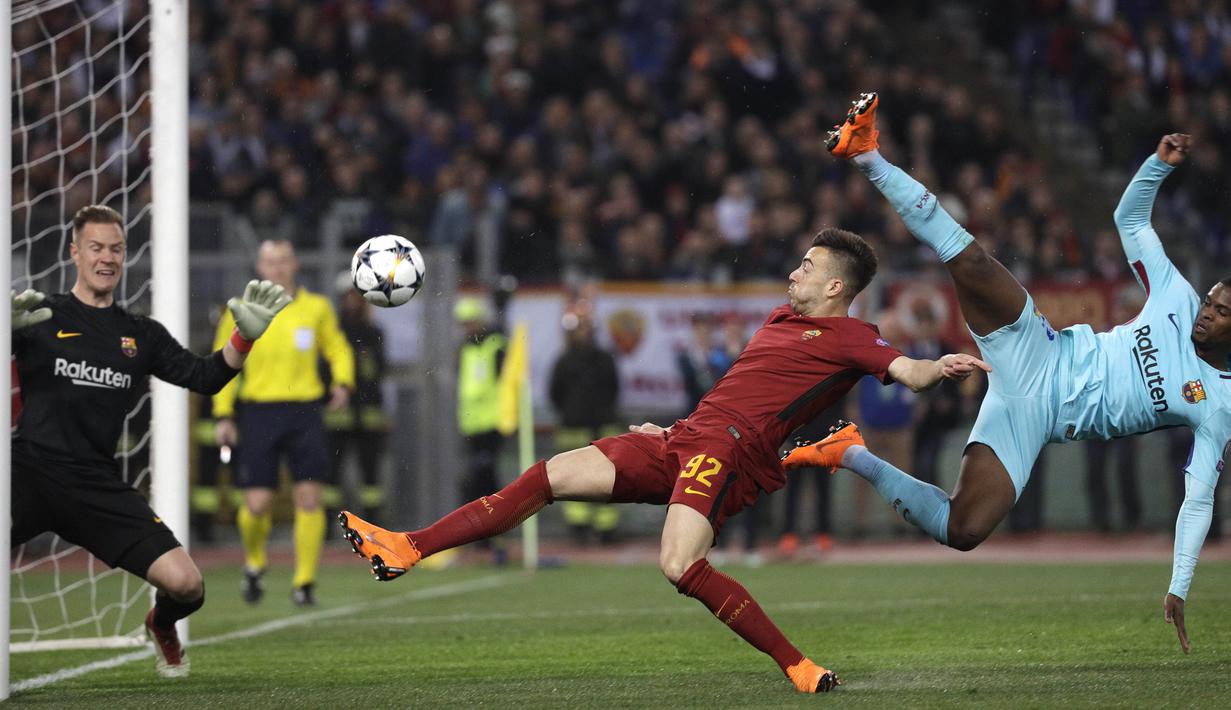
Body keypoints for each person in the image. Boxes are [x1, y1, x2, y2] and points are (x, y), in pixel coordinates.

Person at [339, 228, 988, 694]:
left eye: (807, 266)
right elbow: (745, 386)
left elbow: (906, 370)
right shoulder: (779, 318)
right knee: (549, 475)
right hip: (685, 437)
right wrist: (677, 428)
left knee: (679, 565)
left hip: (726, 450)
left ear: (835, 285)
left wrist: (940, 366)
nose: (795, 273)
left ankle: (796, 665)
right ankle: (408, 547)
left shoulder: (852, 337)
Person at [785, 93, 1231, 654]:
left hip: (1034, 418)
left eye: (1221, 312)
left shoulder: (1219, 403)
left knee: (963, 530)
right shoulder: (1176, 297)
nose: (1207, 312)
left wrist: (1179, 584)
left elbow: (1198, 498)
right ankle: (867, 152)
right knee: (970, 260)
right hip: (1039, 350)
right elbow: (1130, 219)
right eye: (1211, 300)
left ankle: (849, 452)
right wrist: (1156, 167)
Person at [9, 204, 290, 677]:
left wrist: (243, 338)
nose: (107, 258)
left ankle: (160, 624)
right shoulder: (39, 315)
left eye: (116, 249)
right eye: (96, 247)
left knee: (187, 585)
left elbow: (204, 377)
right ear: (75, 252)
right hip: (28, 472)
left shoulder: (139, 334)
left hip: (95, 485)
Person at [212, 239, 355, 607]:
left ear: (295, 264)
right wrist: (224, 414)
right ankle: (254, 561)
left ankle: (304, 582)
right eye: (269, 261)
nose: (277, 267)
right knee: (256, 503)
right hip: (259, 410)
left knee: (309, 497)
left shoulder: (316, 307)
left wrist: (342, 382)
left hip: (305, 410)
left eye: (283, 260)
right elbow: (224, 362)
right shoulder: (241, 309)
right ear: (259, 267)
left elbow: (337, 347)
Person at [549, 300, 623, 545]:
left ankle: (606, 529)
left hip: (603, 428)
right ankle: (579, 528)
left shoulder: (604, 359)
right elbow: (556, 393)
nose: (584, 333)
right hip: (574, 429)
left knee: (607, 478)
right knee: (573, 479)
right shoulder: (564, 361)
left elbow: (613, 390)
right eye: (580, 328)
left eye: (586, 327)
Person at [326, 280, 389, 521]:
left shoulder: (374, 332)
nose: (352, 302)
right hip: (338, 415)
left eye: (357, 297)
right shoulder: (333, 334)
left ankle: (373, 524)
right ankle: (328, 527)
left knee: (370, 476)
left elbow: (377, 372)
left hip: (368, 416)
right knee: (332, 475)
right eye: (348, 296)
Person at [455, 294, 509, 557]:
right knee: (478, 481)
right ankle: (483, 534)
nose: (467, 327)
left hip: (491, 424)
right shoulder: (465, 349)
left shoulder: (494, 346)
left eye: (471, 322)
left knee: (487, 480)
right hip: (472, 426)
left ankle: (494, 533)